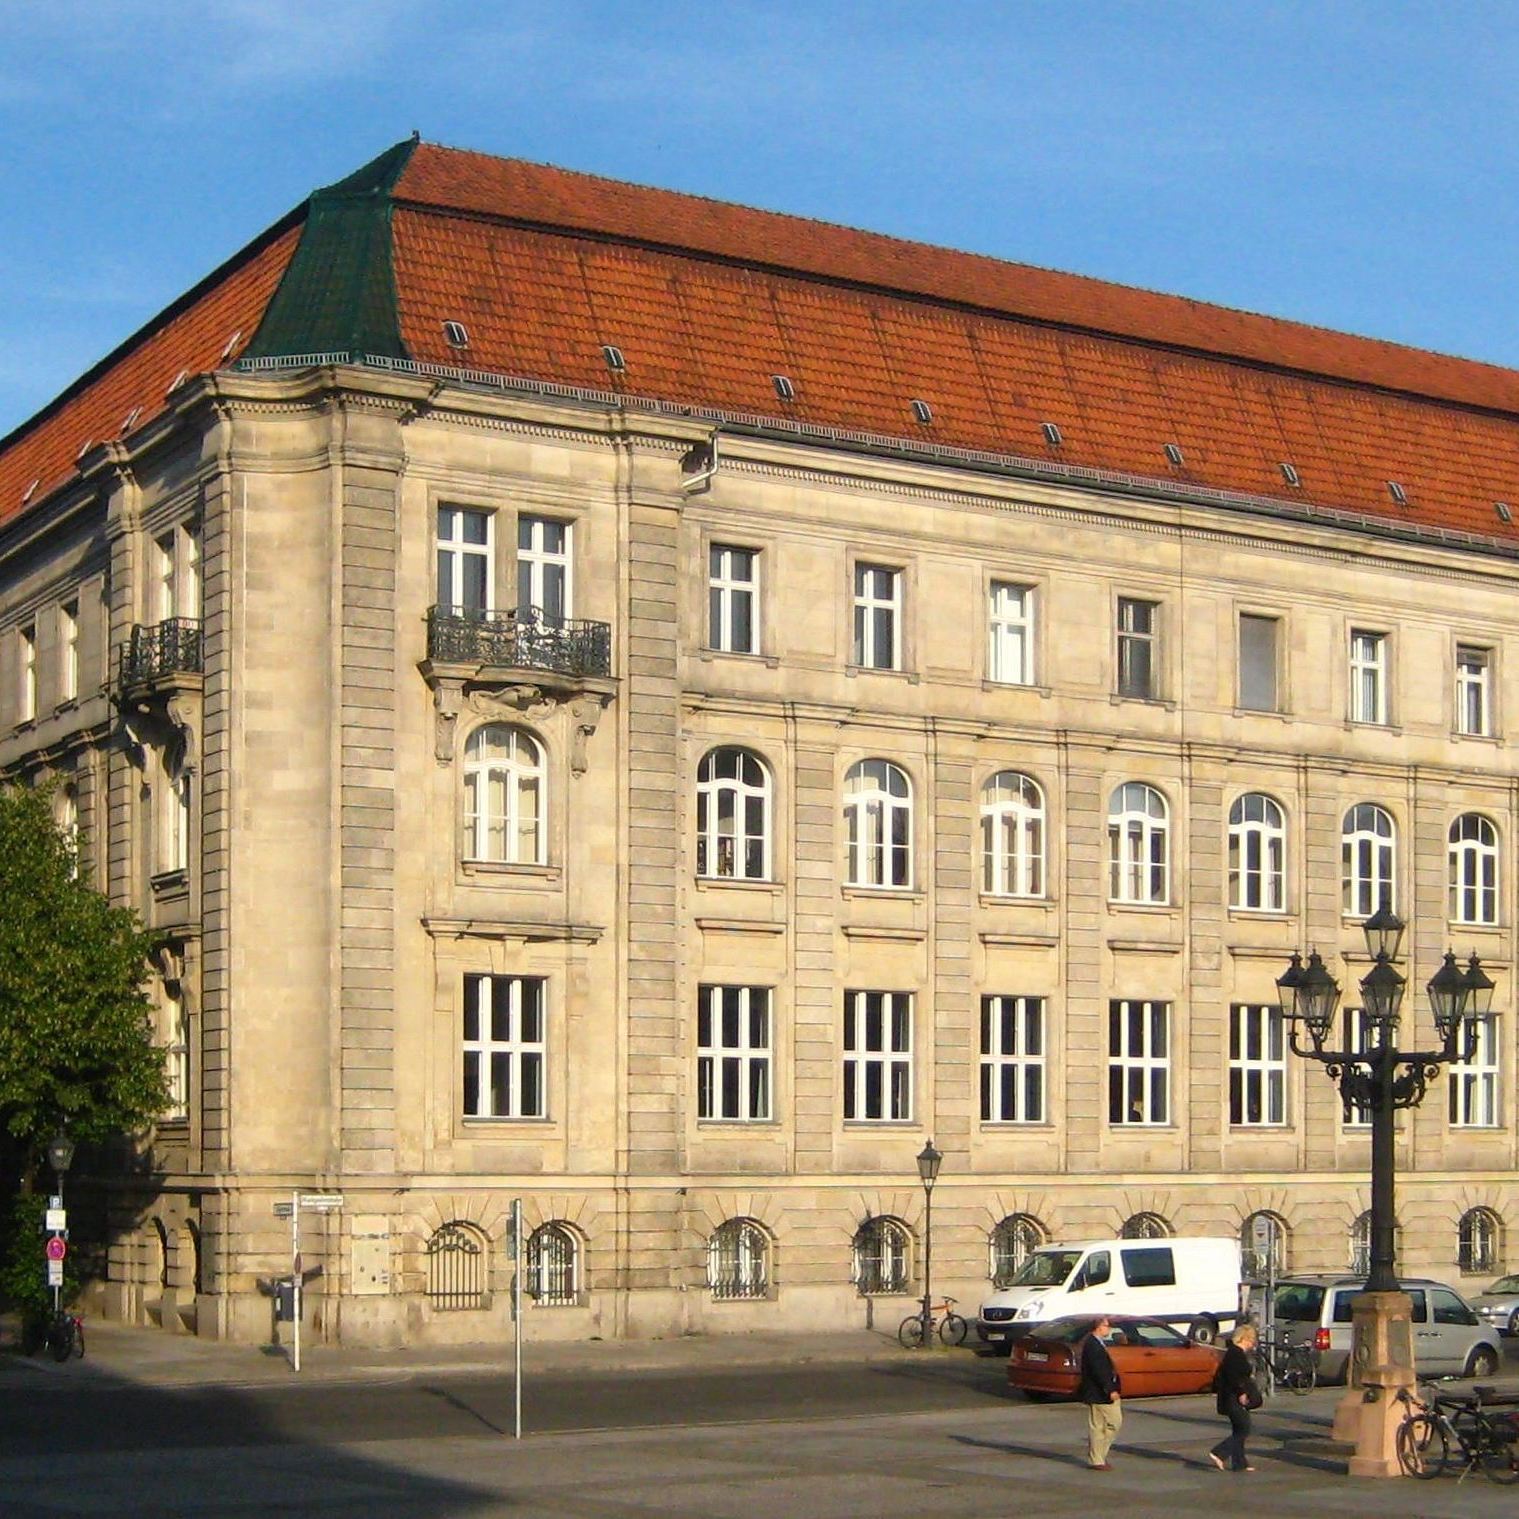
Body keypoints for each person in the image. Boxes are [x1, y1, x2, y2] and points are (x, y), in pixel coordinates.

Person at [1209, 1323, 1260, 1472]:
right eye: (1252, 1340)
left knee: (1238, 1429)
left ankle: (1239, 1463)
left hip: (1229, 1396)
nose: (1253, 1343)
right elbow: (1234, 1377)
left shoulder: (1233, 1353)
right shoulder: (1236, 1354)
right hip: (1233, 1397)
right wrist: (1241, 1393)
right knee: (1244, 1429)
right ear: (1245, 1339)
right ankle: (1219, 1452)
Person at [1077, 1314, 1122, 1470]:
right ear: (1099, 1327)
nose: (1109, 1329)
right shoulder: (1093, 1345)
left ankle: (1098, 1458)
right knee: (1114, 1422)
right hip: (1100, 1393)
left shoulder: (1094, 1343)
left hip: (1097, 1392)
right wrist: (1110, 1390)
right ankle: (1098, 1457)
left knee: (1098, 1425)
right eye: (1107, 1326)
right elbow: (1099, 1371)